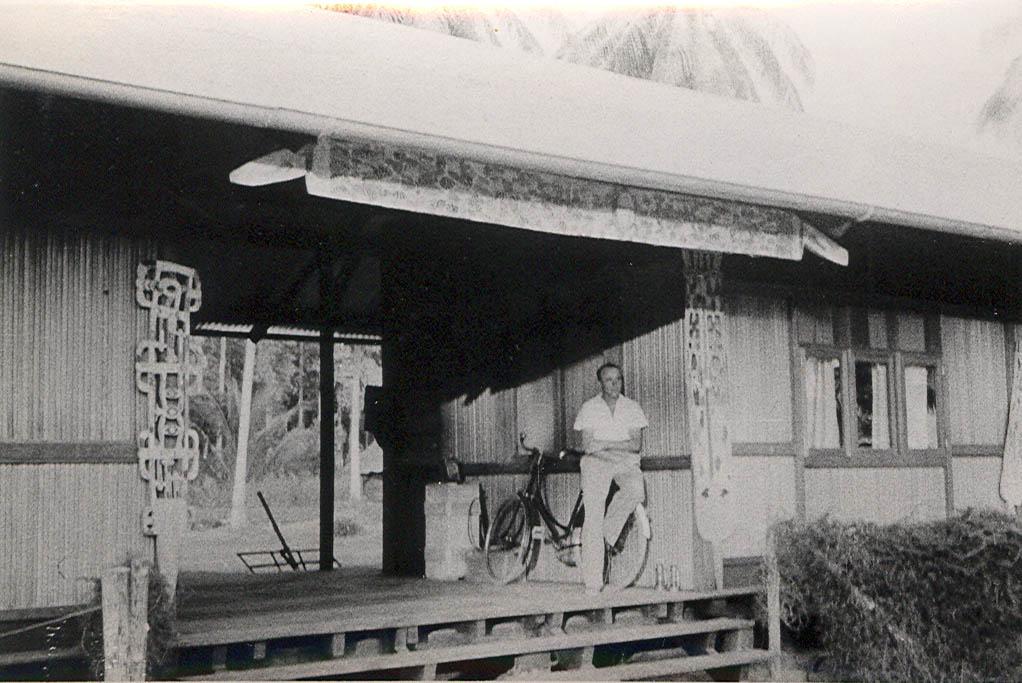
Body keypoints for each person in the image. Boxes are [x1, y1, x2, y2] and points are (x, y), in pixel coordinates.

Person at [573, 362, 648, 594]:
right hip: (596, 463)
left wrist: (604, 443)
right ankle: (593, 583)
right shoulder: (589, 408)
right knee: (593, 515)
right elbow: (587, 446)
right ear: (601, 383)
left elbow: (635, 445)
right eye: (609, 380)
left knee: (636, 490)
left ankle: (605, 534)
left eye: (618, 379)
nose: (615, 384)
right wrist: (615, 444)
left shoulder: (632, 408)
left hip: (625, 462)